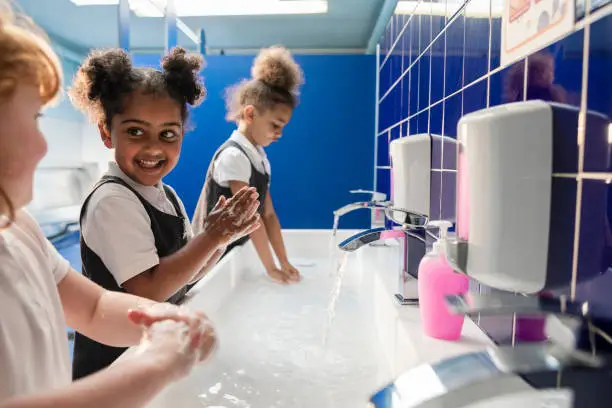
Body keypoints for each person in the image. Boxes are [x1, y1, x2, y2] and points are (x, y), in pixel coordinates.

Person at [0, 3, 218, 407]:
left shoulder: (20, 229)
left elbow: (96, 307)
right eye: (32, 118)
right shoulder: (111, 200)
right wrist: (157, 364)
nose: (44, 145)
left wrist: (165, 323)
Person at [69, 47, 261, 379]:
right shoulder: (112, 200)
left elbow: (184, 276)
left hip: (151, 354)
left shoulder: (165, 195)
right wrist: (212, 235)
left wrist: (221, 240)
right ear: (105, 132)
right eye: (134, 131)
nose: (154, 147)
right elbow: (149, 291)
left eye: (168, 133)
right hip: (114, 367)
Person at [193, 46, 303, 284]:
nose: (279, 133)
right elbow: (251, 220)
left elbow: (269, 215)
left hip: (229, 255)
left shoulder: (258, 158)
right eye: (276, 125)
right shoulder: (234, 156)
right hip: (206, 263)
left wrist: (283, 262)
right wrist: (271, 268)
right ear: (250, 114)